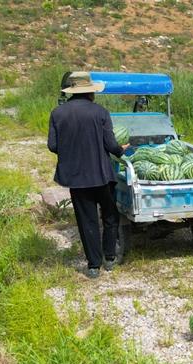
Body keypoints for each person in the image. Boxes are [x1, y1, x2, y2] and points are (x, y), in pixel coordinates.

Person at [47, 71, 130, 279]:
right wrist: (122, 149)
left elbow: (53, 145)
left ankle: (93, 266)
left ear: (71, 93)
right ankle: (109, 258)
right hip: (102, 175)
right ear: (90, 93)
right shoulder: (100, 112)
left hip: (76, 177)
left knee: (87, 221)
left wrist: (71, 151)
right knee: (110, 216)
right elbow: (110, 145)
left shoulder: (58, 113)